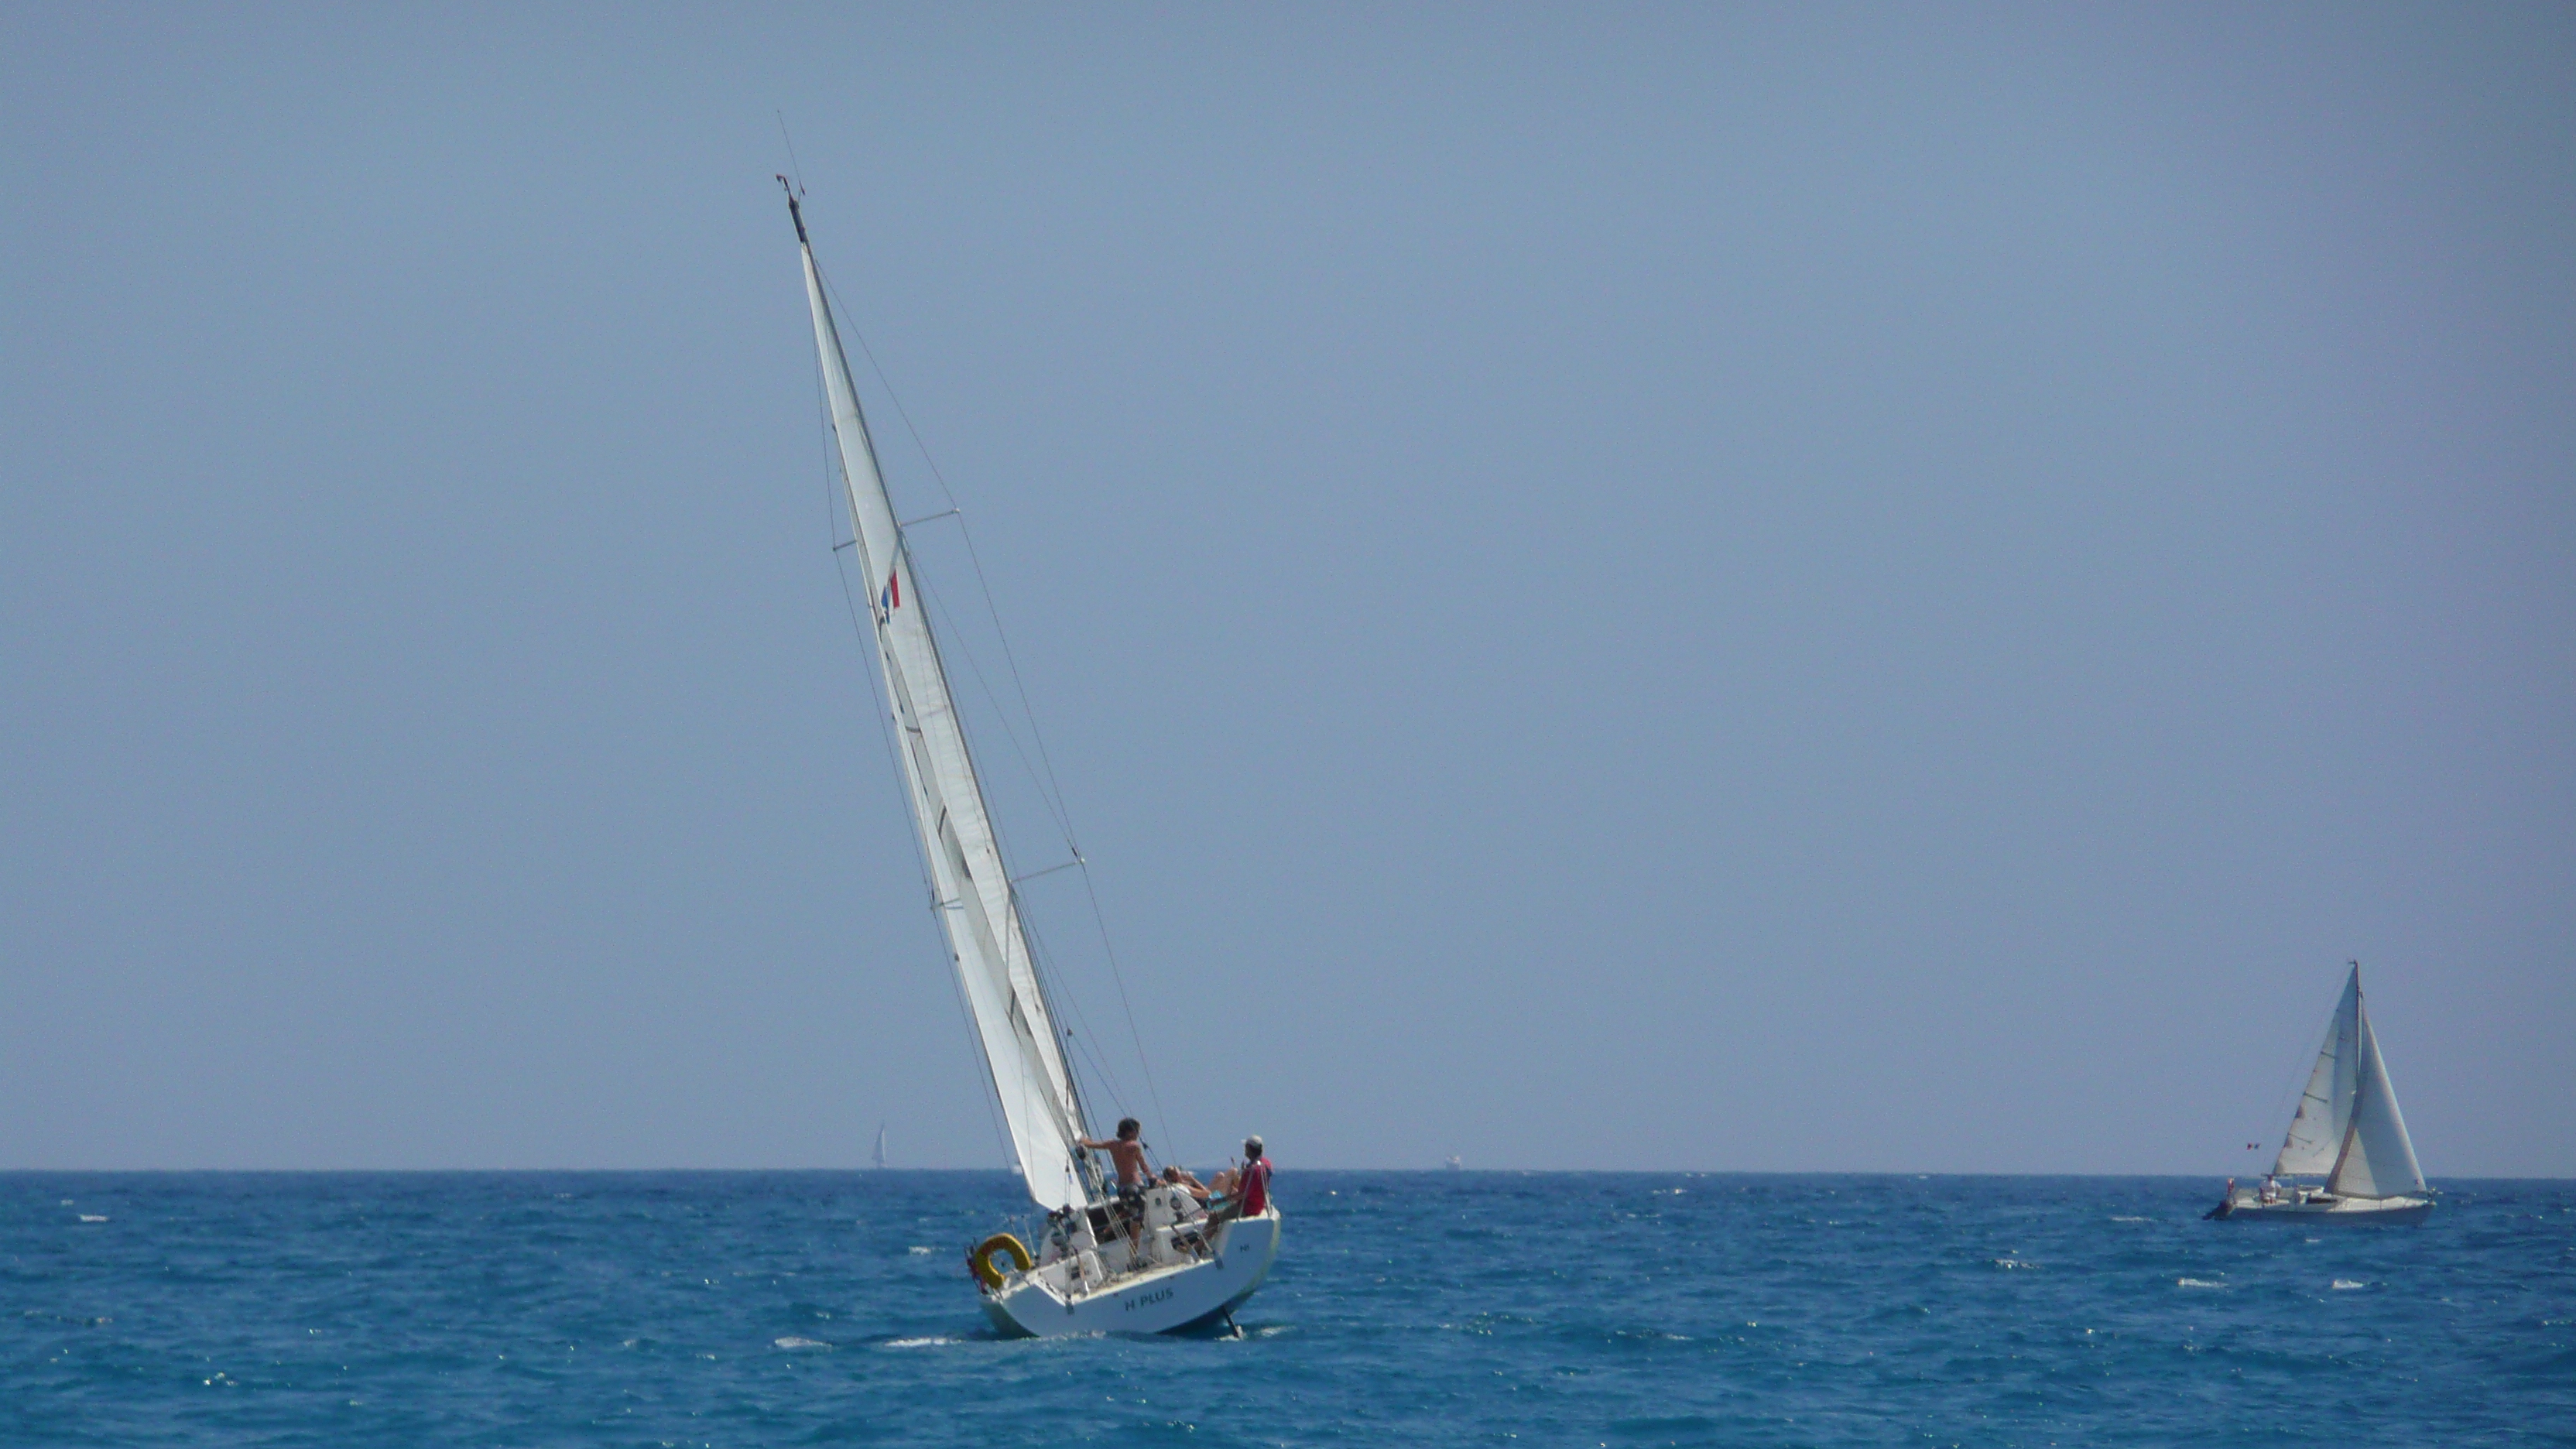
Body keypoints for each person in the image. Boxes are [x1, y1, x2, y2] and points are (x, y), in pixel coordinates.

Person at [1079, 1118, 1151, 1191]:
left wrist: (1081, 1139)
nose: (1138, 1134)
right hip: (1135, 1183)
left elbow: (1092, 1145)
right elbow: (1144, 1166)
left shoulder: (1112, 1144)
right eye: (1137, 1131)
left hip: (1122, 1186)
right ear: (1130, 1132)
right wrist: (1152, 1178)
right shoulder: (1134, 1146)